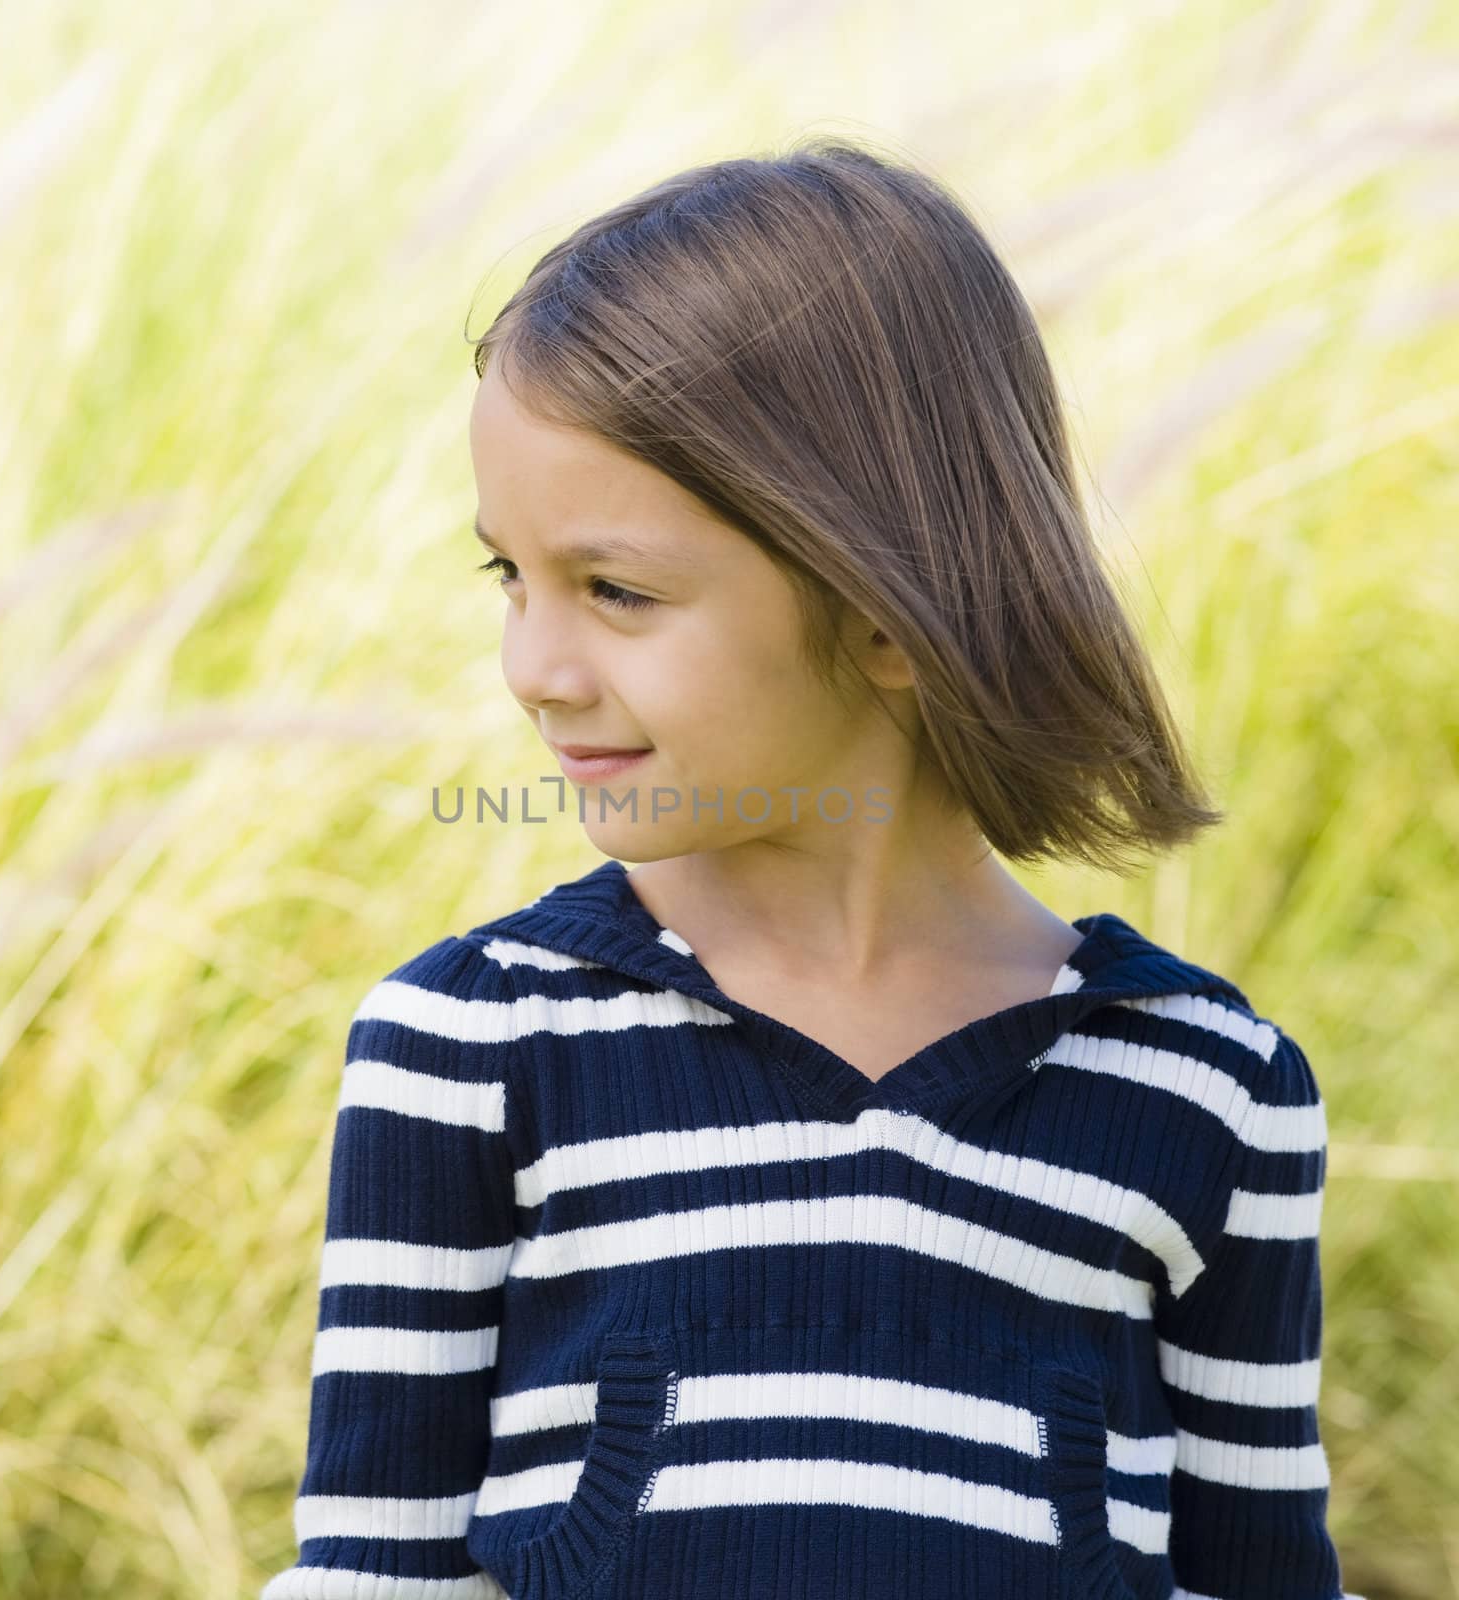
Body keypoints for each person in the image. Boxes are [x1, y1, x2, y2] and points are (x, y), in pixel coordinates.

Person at [261, 139, 1360, 1599]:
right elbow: (373, 1573)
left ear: (896, 612)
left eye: (615, 590)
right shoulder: (469, 1047)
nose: (535, 666)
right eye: (507, 578)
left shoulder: (1209, 1091)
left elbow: (1260, 1578)